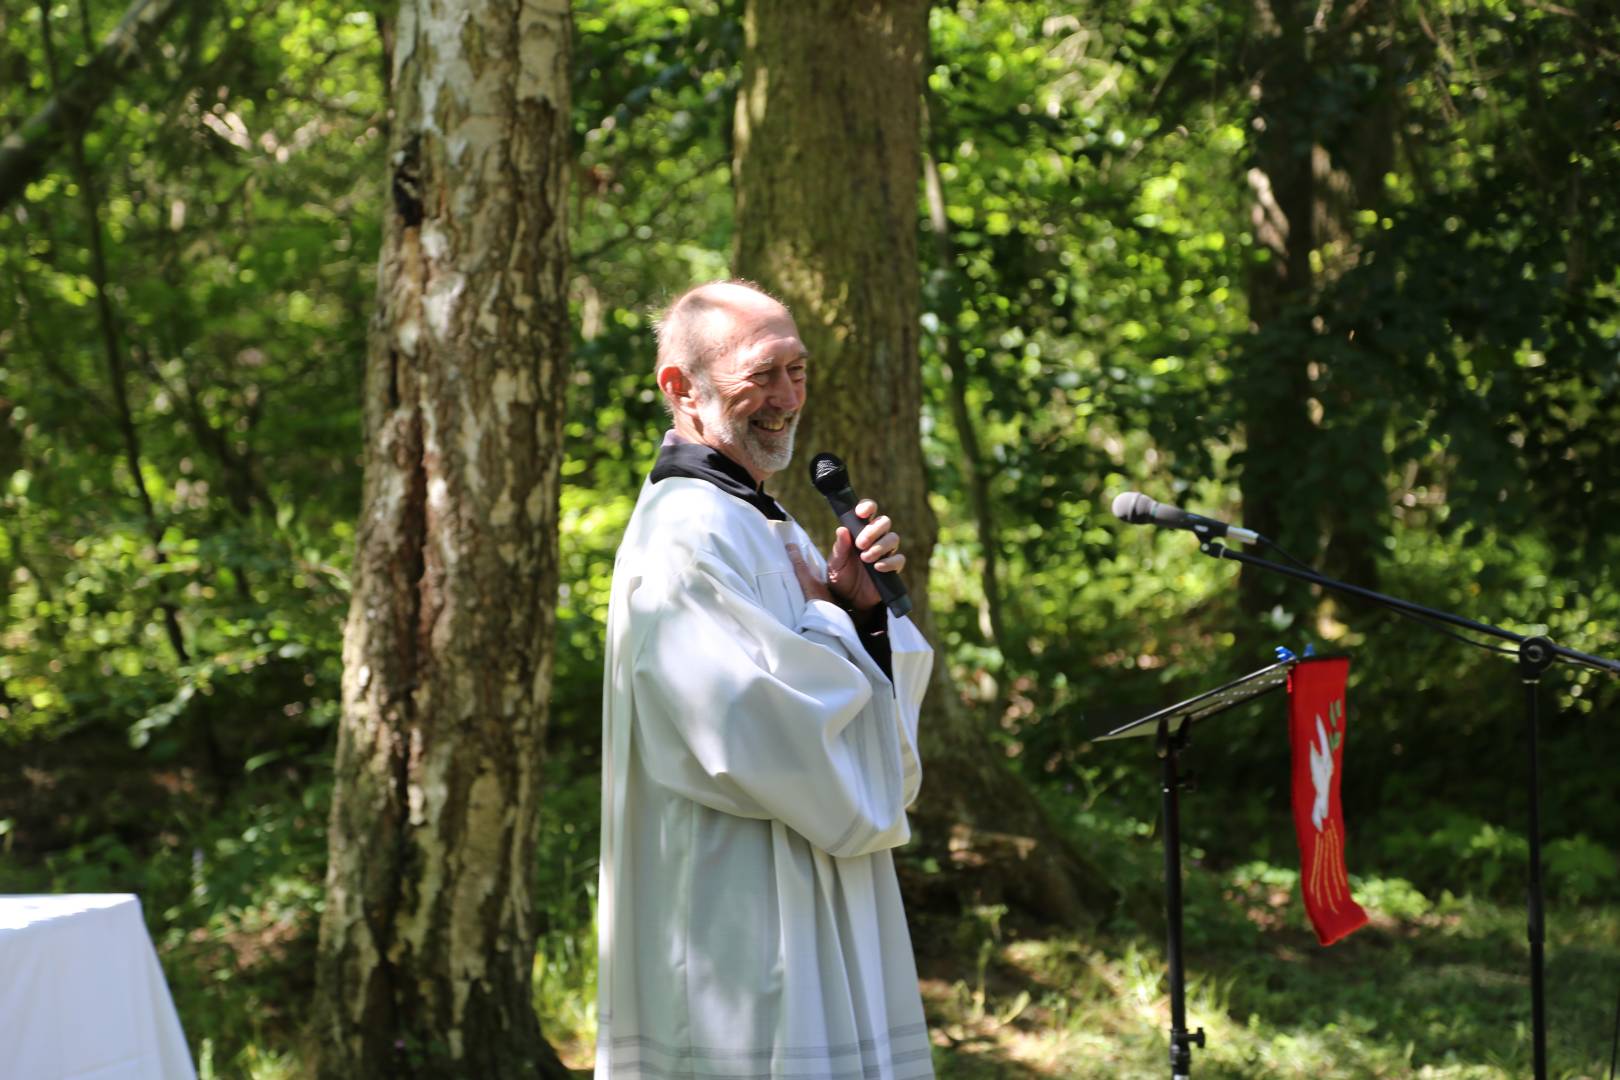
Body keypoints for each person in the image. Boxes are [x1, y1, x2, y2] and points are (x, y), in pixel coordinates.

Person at [595, 280, 936, 1079]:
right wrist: (832, 625)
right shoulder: (687, 535)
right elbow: (760, 734)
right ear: (681, 388)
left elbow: (817, 686)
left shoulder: (760, 516)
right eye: (762, 374)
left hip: (803, 873)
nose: (786, 398)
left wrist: (863, 612)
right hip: (738, 899)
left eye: (799, 371)